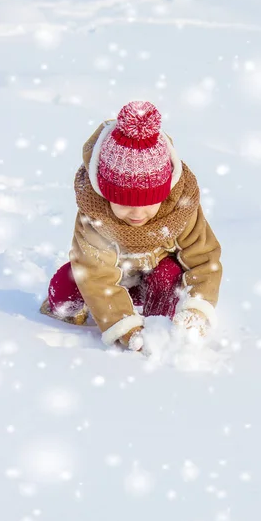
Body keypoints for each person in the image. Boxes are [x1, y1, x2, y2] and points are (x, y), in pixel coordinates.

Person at [40, 100, 222, 352]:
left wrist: (196, 307)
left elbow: (204, 259)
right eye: (124, 203)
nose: (138, 214)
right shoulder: (95, 216)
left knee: (169, 275)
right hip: (113, 279)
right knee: (68, 282)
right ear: (105, 194)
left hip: (153, 282)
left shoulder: (181, 207)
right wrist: (123, 325)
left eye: (149, 203)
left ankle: (159, 325)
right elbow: (94, 274)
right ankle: (72, 319)